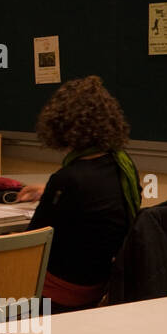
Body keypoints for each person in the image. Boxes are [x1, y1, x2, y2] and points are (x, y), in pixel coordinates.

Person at [17, 76, 140, 313]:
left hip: (59, 293)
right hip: (98, 284)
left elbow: (30, 242)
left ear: (60, 124)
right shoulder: (123, 166)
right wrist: (49, 191)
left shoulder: (68, 179)